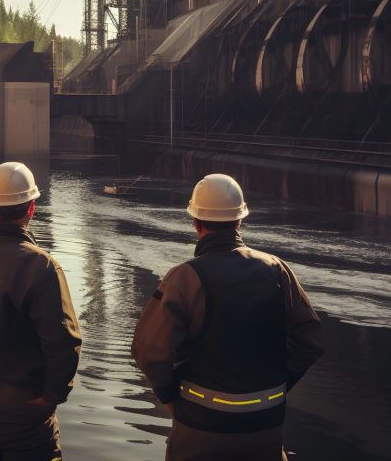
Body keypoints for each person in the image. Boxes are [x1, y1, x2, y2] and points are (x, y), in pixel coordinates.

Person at [132, 173, 323, 460]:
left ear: (195, 223)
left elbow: (148, 351)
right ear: (240, 220)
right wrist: (276, 386)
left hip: (200, 428)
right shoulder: (277, 270)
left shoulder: (184, 278)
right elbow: (310, 341)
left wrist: (171, 397)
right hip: (265, 428)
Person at [0, 161, 82, 461]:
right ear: (31, 208)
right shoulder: (41, 266)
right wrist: (52, 395)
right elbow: (64, 342)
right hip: (25, 411)